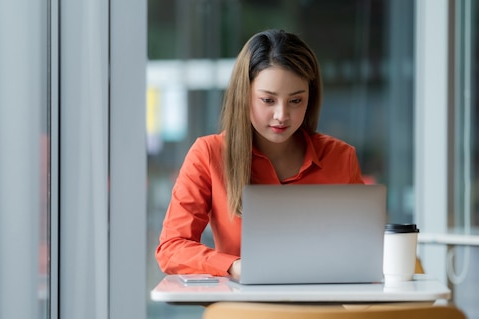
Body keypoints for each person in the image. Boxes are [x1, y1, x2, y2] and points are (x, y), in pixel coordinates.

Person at [154, 29, 364, 281]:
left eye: (296, 101)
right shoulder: (208, 154)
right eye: (267, 100)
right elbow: (171, 248)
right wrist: (235, 266)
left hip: (324, 305)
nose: (282, 115)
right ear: (244, 96)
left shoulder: (340, 157)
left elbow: (361, 247)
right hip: (246, 307)